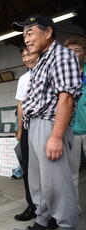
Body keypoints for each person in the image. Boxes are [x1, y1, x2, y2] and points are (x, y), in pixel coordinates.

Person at [11, 14, 82, 230]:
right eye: (24, 34)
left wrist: (56, 136)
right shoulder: (42, 59)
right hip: (35, 126)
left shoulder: (62, 55)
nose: (27, 38)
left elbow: (67, 98)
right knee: (39, 183)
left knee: (58, 185)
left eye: (30, 32)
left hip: (51, 126)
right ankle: (40, 227)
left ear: (48, 32)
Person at [13, 44, 39, 219]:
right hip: (28, 130)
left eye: (29, 54)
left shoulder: (48, 72)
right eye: (23, 55)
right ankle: (33, 206)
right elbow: (20, 106)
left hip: (45, 128)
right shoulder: (23, 78)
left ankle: (50, 212)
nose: (27, 58)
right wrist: (20, 130)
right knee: (28, 170)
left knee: (46, 172)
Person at [65, 35, 86, 213]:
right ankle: (74, 206)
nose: (73, 54)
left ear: (84, 54)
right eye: (70, 51)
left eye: (77, 51)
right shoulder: (62, 76)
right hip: (70, 132)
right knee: (72, 173)